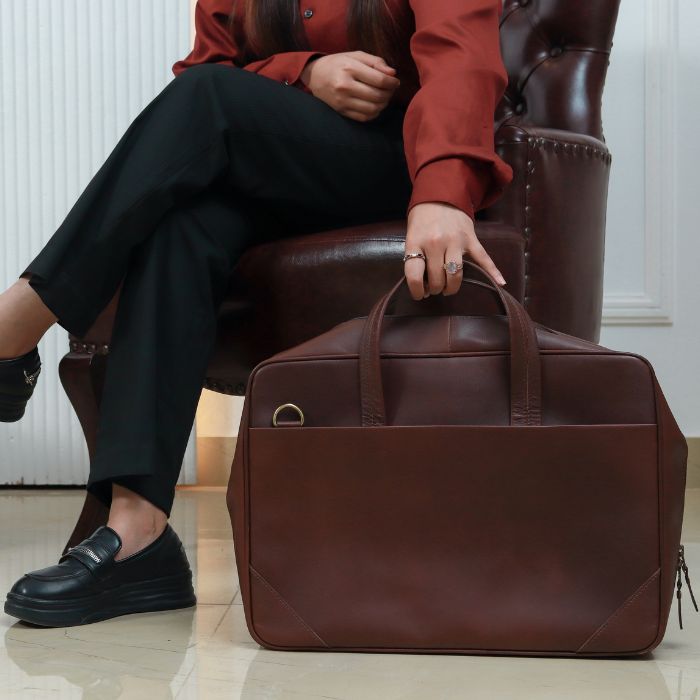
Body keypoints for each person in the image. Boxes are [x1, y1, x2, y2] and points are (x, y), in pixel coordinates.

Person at [1, 0, 514, 627]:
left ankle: (17, 324)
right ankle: (138, 531)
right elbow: (204, 73)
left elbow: (462, 52)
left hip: (395, 161)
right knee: (180, 222)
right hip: (285, 164)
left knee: (210, 99)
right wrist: (304, 71)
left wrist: (443, 189)